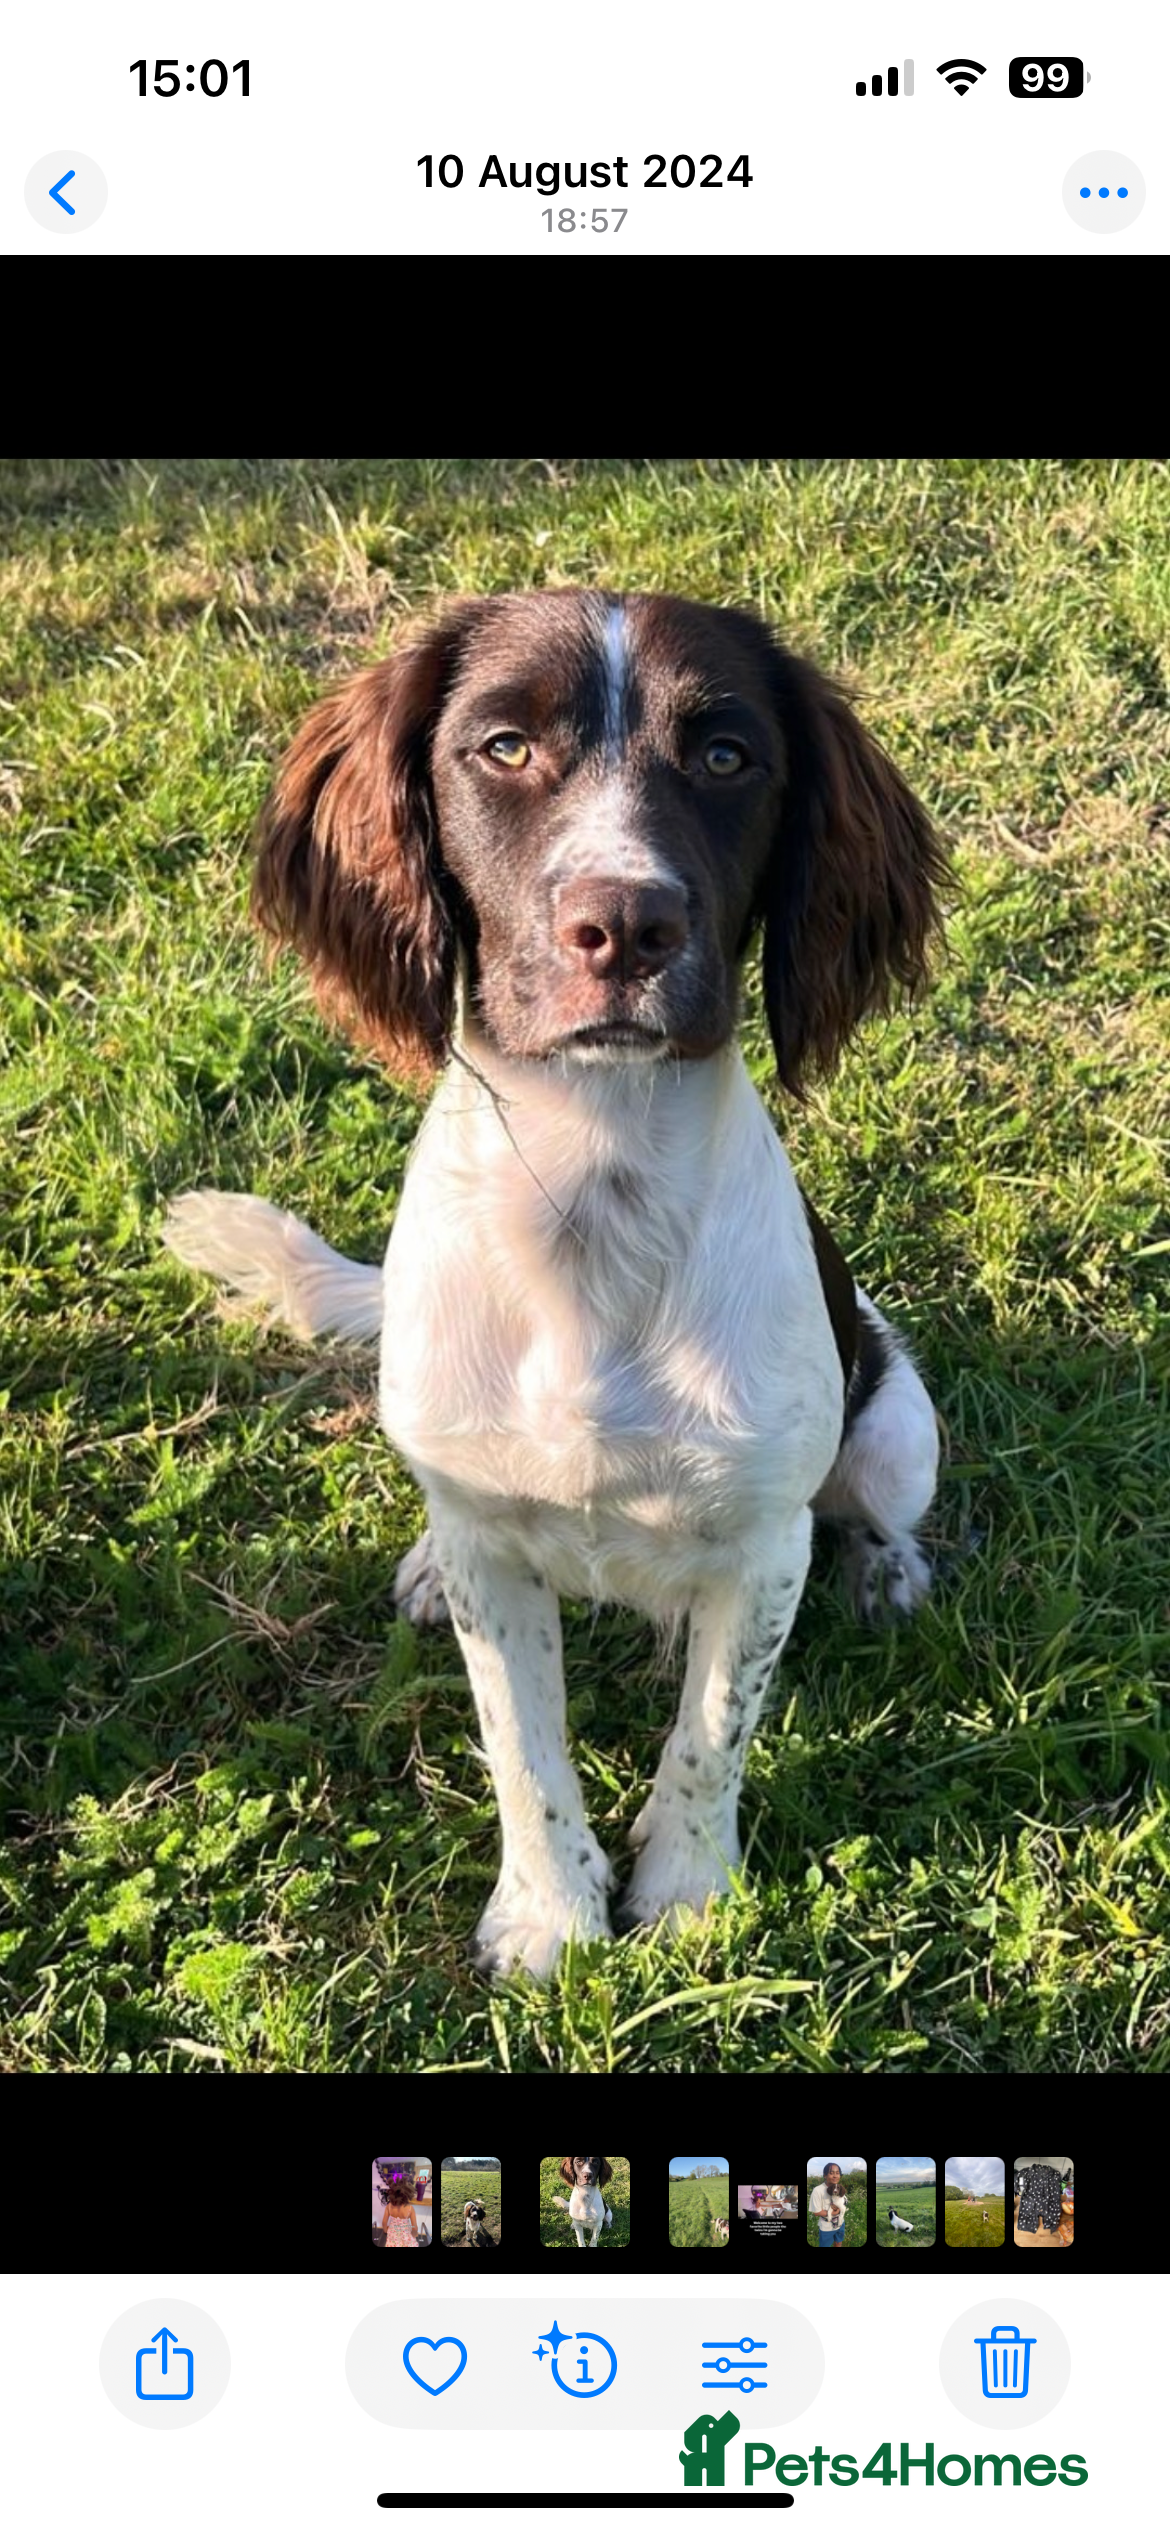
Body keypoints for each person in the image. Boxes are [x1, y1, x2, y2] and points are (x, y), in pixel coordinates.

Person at [808, 2161, 847, 2249]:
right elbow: (816, 2212)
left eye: (837, 2173)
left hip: (840, 2223)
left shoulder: (839, 2188)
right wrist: (834, 2213)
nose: (835, 2176)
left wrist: (840, 2210)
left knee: (838, 2243)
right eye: (831, 2173)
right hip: (826, 2227)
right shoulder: (817, 2190)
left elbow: (844, 2202)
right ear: (825, 2175)